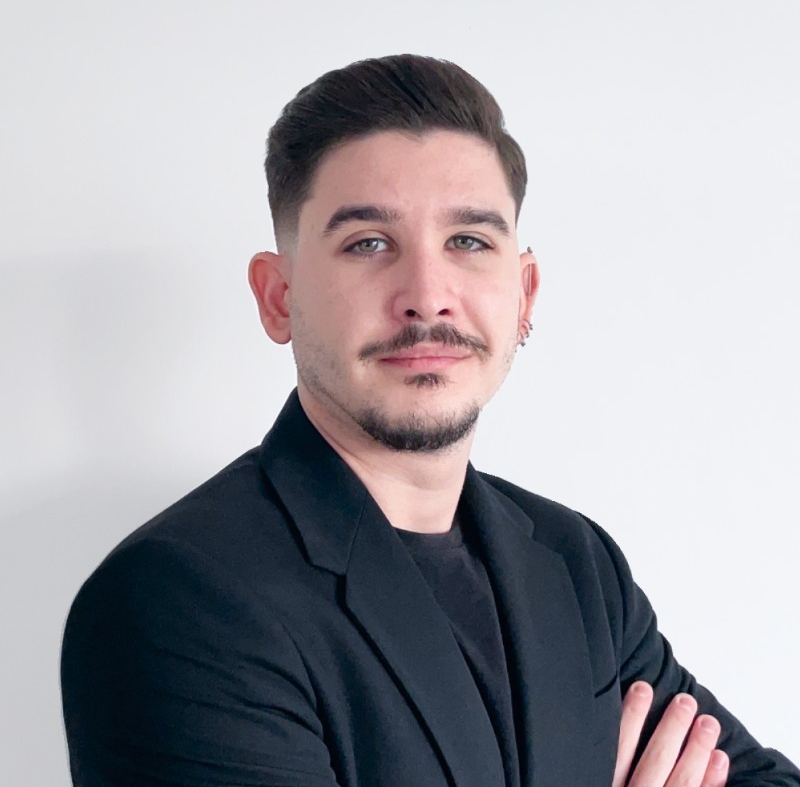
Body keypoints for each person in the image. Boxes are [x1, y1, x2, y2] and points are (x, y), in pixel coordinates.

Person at [60, 54, 800, 787]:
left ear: (524, 295)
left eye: (468, 241)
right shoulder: (178, 600)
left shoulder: (576, 564)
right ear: (279, 298)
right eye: (368, 244)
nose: (427, 294)